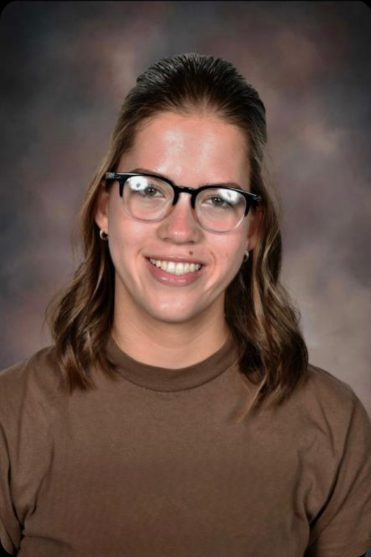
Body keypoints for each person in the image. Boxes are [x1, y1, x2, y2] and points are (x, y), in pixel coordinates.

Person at [0, 53, 370, 557]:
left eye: (218, 198)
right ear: (104, 209)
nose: (180, 230)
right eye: (149, 189)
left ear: (252, 231)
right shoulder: (11, 415)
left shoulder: (334, 422)